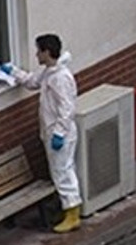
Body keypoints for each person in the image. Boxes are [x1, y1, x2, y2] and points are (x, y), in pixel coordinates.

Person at [6, 34, 82, 233]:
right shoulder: (50, 72)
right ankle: (68, 208)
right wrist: (13, 71)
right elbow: (32, 82)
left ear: (47, 52)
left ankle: (72, 214)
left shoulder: (61, 78)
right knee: (61, 170)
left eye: (39, 50)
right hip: (53, 132)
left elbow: (67, 108)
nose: (36, 54)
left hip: (60, 135)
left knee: (62, 171)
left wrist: (59, 133)